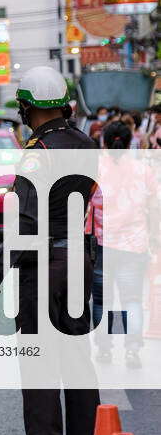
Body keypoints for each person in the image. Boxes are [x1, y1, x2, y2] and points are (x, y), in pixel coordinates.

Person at [0, 66, 100, 435]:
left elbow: (24, 229)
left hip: (43, 269)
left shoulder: (37, 153)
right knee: (79, 370)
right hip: (78, 264)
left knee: (42, 374)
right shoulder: (86, 144)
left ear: (27, 108)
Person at [90, 121, 157, 369]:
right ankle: (132, 350)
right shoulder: (144, 170)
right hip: (135, 246)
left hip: (102, 246)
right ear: (130, 142)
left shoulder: (95, 170)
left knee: (101, 301)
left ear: (104, 142)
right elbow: (153, 207)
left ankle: (104, 349)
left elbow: (85, 207)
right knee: (132, 300)